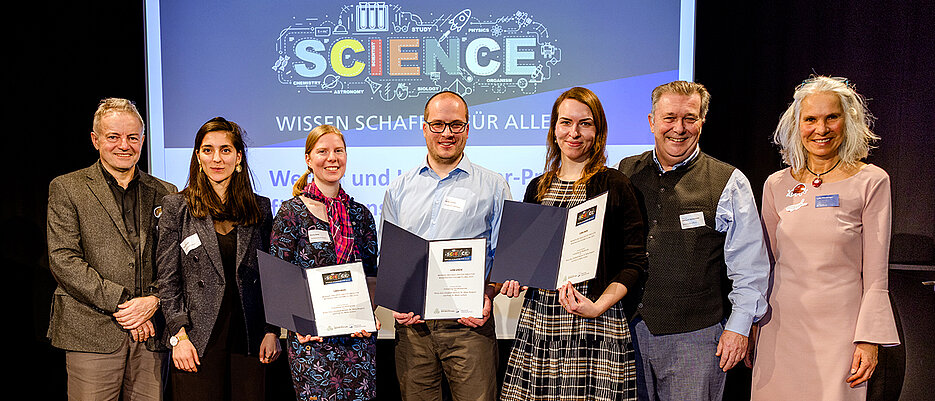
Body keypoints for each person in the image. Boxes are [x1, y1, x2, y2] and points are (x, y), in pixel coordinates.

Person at [615, 80, 770, 400]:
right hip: (629, 333)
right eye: (669, 117)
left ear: (702, 121)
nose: (679, 128)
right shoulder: (626, 170)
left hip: (696, 339)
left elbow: (750, 265)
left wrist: (739, 328)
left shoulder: (729, 181)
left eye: (690, 118)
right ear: (652, 121)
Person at [750, 76, 899, 400]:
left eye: (831, 117)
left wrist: (868, 338)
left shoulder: (871, 182)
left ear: (848, 121)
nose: (822, 129)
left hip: (842, 334)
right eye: (811, 120)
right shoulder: (775, 184)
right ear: (796, 124)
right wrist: (750, 323)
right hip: (781, 329)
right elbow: (764, 266)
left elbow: (876, 276)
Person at [498, 87, 647, 401]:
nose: (574, 133)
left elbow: (634, 263)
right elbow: (528, 261)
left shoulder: (615, 184)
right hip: (541, 323)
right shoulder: (537, 187)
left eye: (585, 124)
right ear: (554, 128)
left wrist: (596, 307)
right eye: (565, 122)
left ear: (598, 130)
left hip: (597, 320)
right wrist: (516, 278)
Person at [381, 91, 511, 401]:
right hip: (414, 330)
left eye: (456, 125)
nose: (447, 133)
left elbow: (504, 257)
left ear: (467, 128)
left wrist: (488, 294)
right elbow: (390, 258)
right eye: (438, 124)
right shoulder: (398, 189)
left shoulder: (494, 186)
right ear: (424, 127)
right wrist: (397, 299)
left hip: (470, 328)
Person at [47, 98, 177, 400]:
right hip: (92, 332)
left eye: (133, 137)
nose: (124, 145)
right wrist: (126, 304)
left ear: (143, 140)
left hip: (152, 334)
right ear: (96, 140)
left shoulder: (166, 192)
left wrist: (154, 300)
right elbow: (63, 259)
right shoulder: (67, 188)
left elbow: (173, 261)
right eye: (113, 137)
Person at [156, 117, 281, 400]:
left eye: (225, 150)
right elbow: (168, 278)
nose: (217, 158)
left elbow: (269, 278)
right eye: (208, 149)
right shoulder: (177, 206)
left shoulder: (260, 208)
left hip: (249, 338)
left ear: (238, 157)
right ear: (198, 156)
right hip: (196, 340)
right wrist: (179, 336)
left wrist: (272, 330)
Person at [269, 124, 379, 401]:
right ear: (308, 159)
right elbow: (279, 278)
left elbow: (371, 276)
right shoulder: (291, 213)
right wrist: (299, 325)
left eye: (338, 151)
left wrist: (368, 311)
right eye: (323, 151)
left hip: (357, 339)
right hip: (311, 342)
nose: (332, 158)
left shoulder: (361, 214)